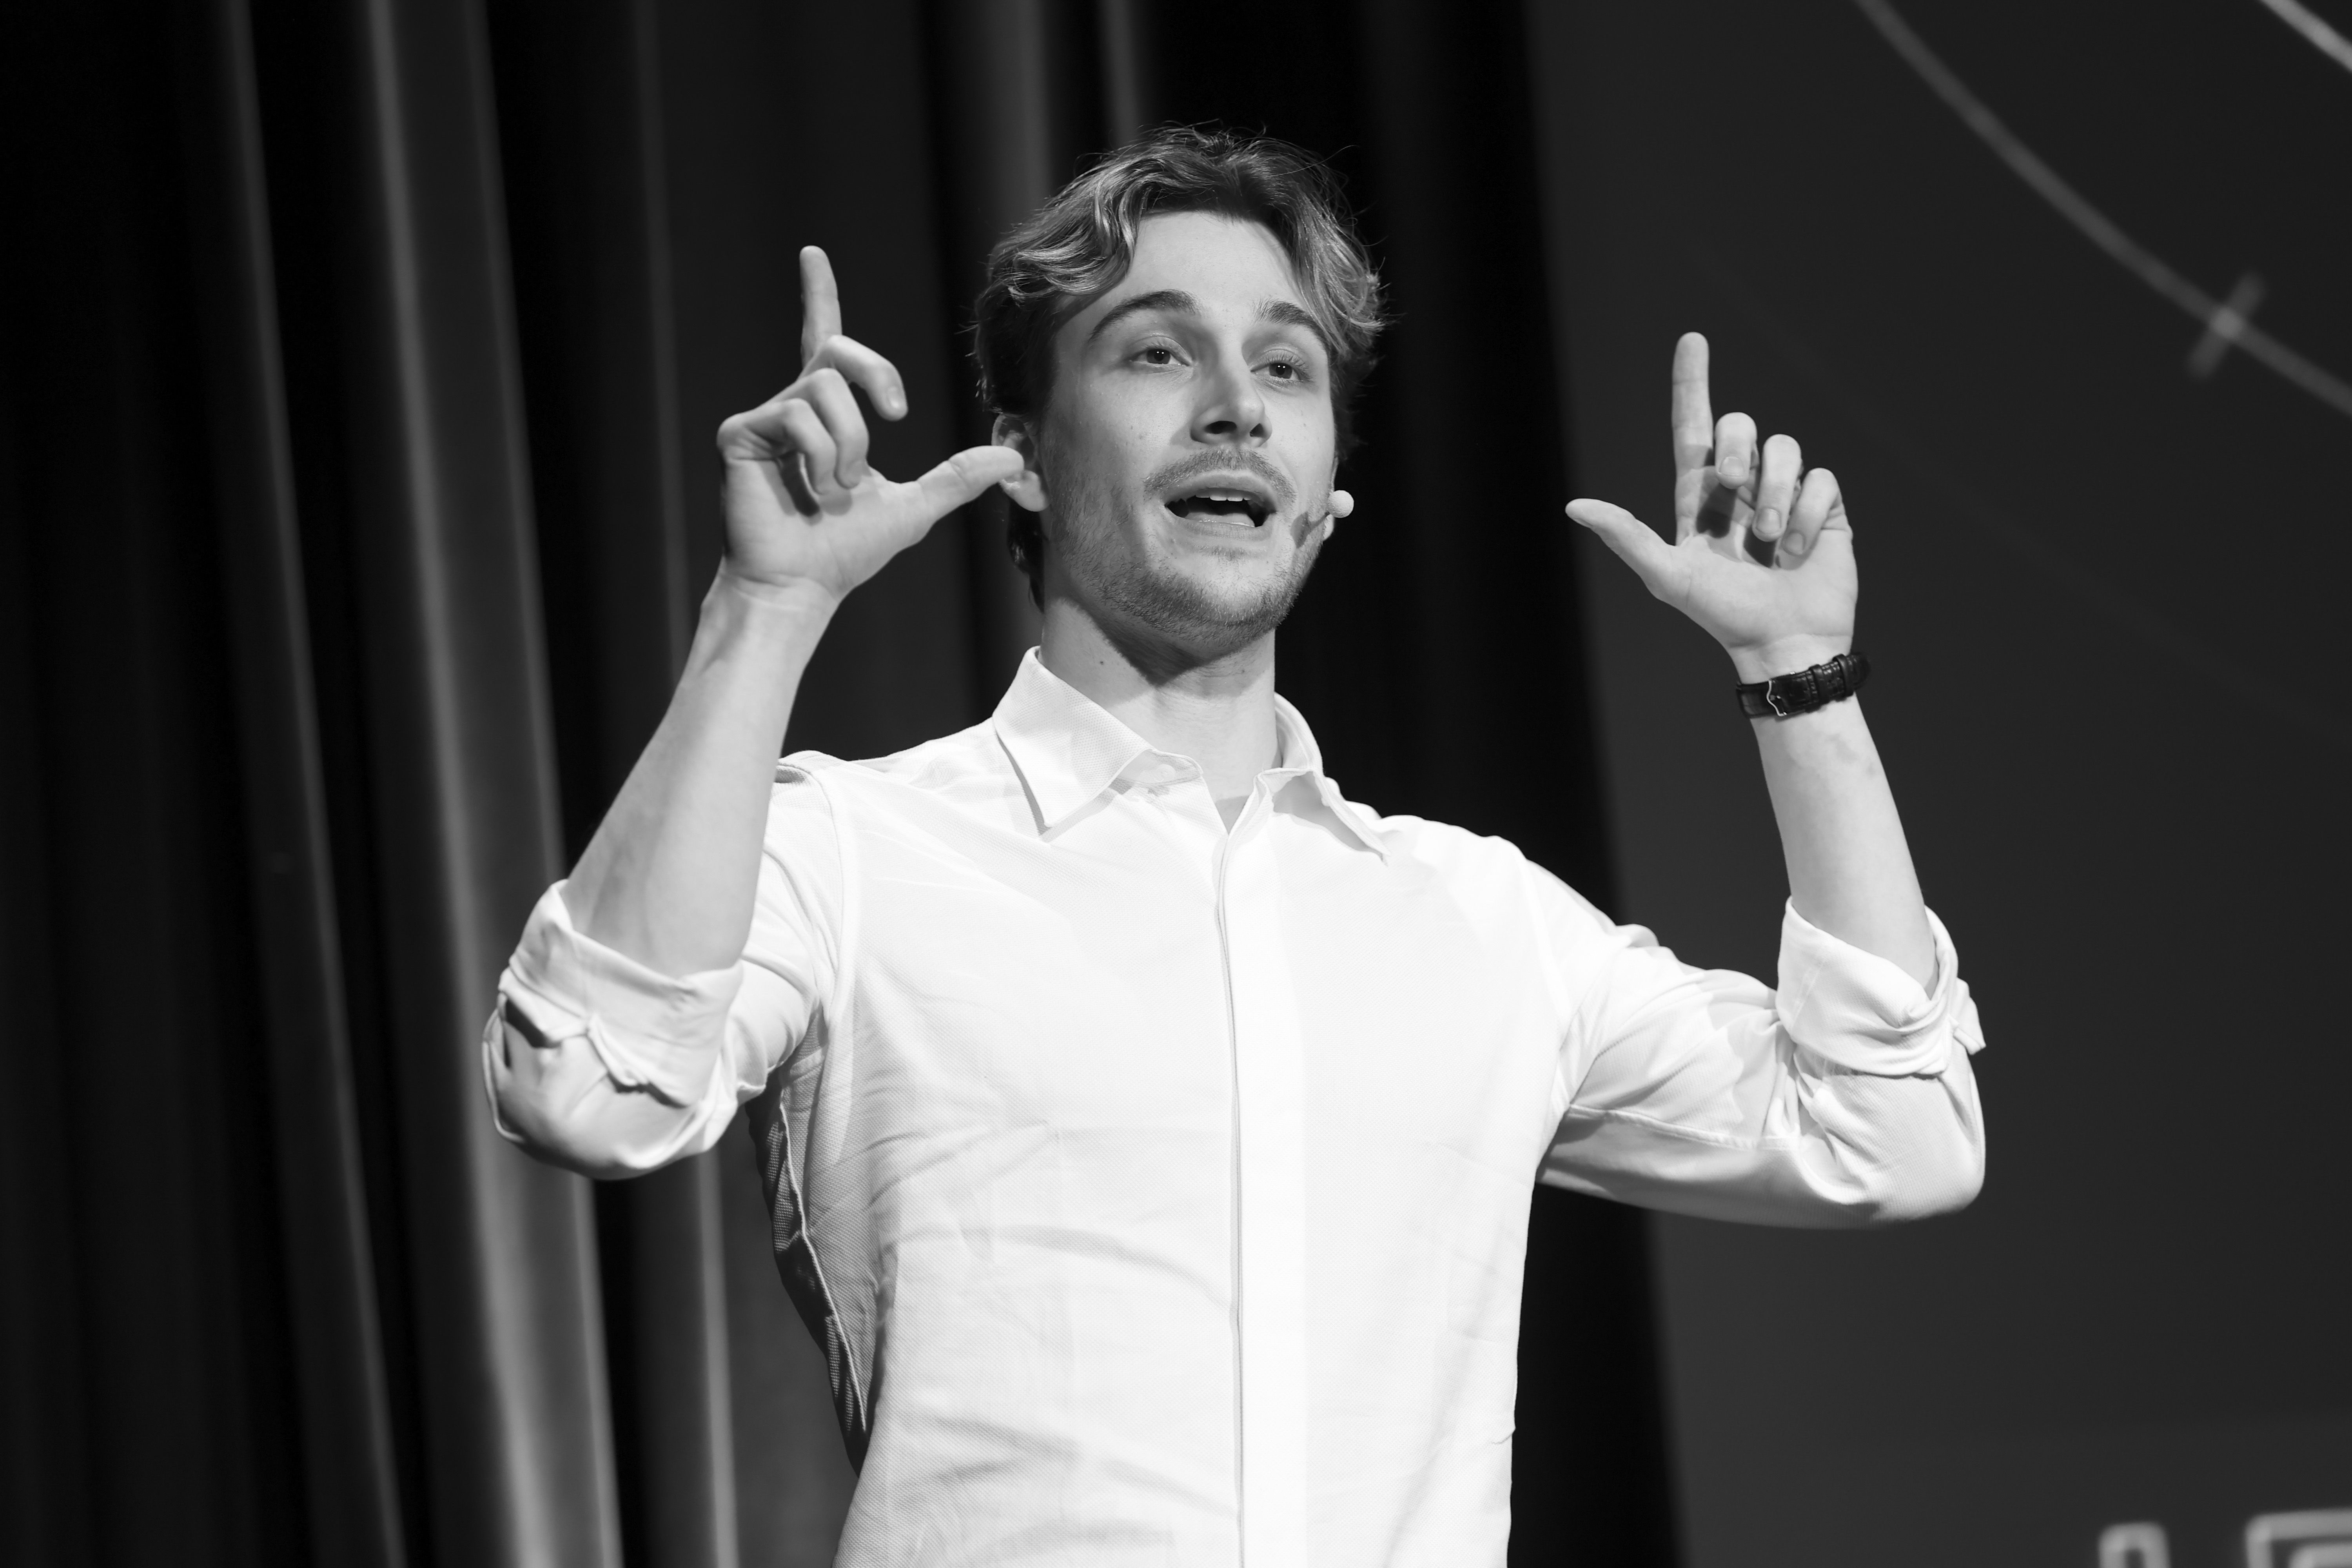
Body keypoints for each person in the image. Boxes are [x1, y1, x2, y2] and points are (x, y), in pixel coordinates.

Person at [485, 128, 1984, 1565]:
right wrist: (766, 611)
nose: (1236, 407)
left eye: (1285, 365)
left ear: (1328, 495)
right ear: (1022, 454)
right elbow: (587, 1088)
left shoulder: (1482, 920)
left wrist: (1798, 674)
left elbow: (1894, 1136)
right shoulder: (856, 855)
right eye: (1157, 352)